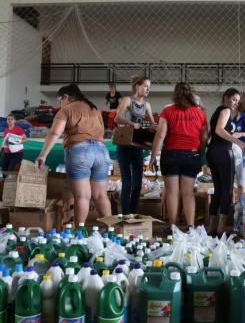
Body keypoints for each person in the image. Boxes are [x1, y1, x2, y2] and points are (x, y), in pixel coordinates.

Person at [36, 84, 111, 224]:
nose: (60, 104)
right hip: (101, 151)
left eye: (60, 101)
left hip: (80, 151)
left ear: (66, 97)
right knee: (101, 196)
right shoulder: (94, 109)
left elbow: (54, 133)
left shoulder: (67, 109)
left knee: (82, 196)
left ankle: (79, 234)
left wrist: (43, 155)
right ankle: (111, 232)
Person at [149, 82, 208, 228]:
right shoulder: (200, 112)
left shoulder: (168, 111)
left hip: (171, 155)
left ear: (175, 94)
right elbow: (205, 136)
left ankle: (173, 225)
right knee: (188, 192)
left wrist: (153, 156)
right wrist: (199, 153)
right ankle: (190, 226)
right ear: (191, 94)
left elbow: (161, 134)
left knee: (172, 192)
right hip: (192, 155)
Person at [206, 88, 245, 235]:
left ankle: (211, 226)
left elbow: (210, 133)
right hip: (223, 152)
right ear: (226, 97)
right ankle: (221, 229)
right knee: (227, 191)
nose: (235, 103)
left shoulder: (217, 111)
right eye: (233, 99)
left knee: (218, 190)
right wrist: (238, 142)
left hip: (213, 151)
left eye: (237, 101)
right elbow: (219, 130)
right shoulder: (225, 110)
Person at [114, 76, 156, 214]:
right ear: (137, 86)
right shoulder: (127, 100)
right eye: (145, 86)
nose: (148, 89)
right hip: (125, 144)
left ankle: (133, 213)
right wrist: (131, 124)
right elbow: (117, 118)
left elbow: (152, 124)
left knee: (138, 184)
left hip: (137, 146)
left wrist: (157, 127)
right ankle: (125, 214)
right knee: (127, 182)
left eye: (149, 87)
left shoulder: (147, 105)